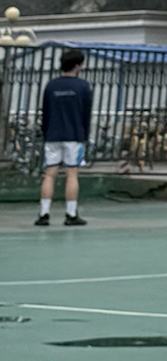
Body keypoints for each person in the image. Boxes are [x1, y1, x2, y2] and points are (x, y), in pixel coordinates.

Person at [36, 48, 92, 228]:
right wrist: (84, 135)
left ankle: (44, 213)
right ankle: (71, 213)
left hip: (52, 135)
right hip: (74, 136)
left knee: (49, 174)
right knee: (72, 174)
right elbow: (86, 114)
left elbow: (45, 112)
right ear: (77, 66)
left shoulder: (51, 86)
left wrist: (46, 132)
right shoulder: (83, 87)